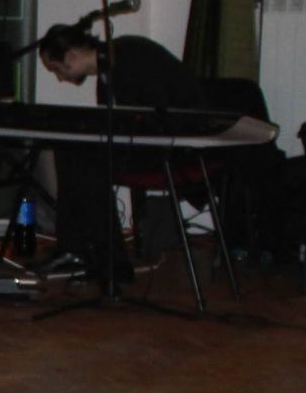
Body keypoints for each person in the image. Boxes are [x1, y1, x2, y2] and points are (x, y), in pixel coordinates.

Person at [35, 20, 199, 277]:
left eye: (56, 69)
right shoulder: (109, 69)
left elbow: (147, 116)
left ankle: (107, 261)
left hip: (175, 146)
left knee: (84, 160)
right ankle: (79, 250)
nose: (59, 78)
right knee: (72, 151)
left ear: (70, 56)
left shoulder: (126, 58)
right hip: (153, 141)